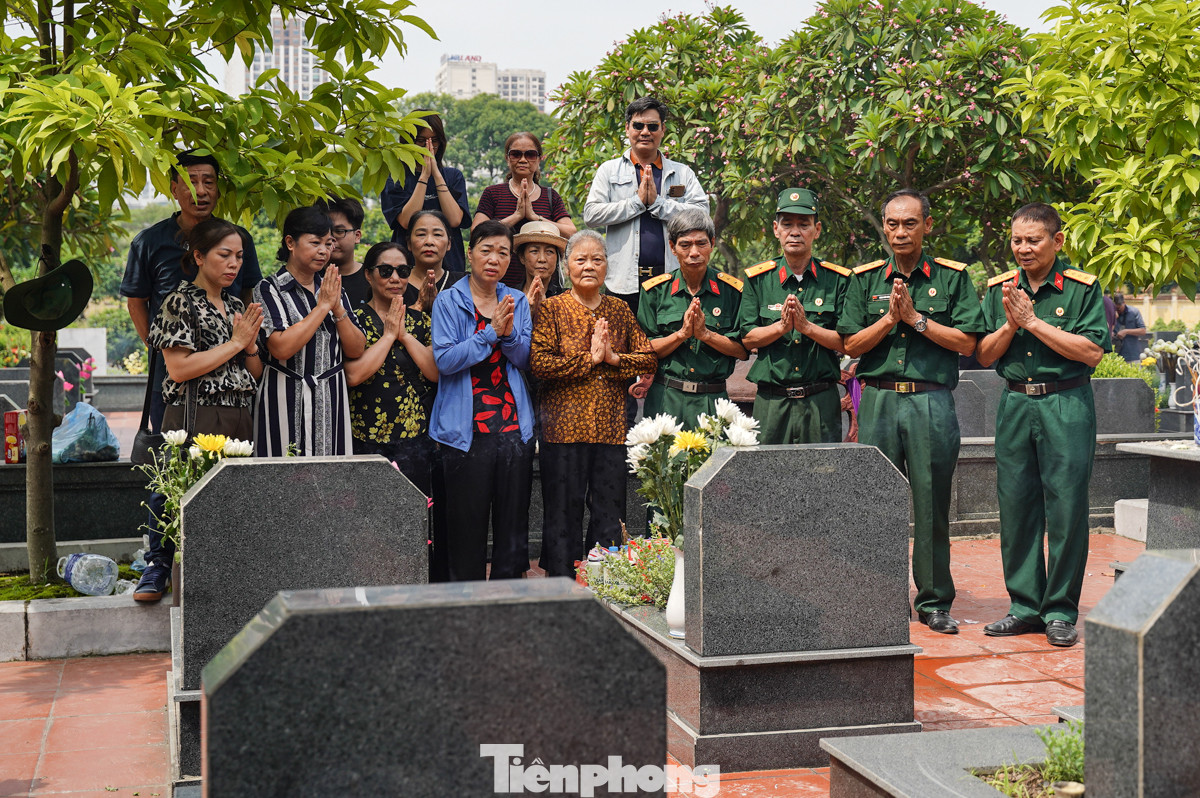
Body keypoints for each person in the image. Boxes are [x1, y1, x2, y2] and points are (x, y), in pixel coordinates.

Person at [837, 189, 984, 635]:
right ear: (884, 226)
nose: (901, 232)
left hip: (930, 400)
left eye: (910, 224)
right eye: (893, 224)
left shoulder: (953, 278)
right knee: (874, 500)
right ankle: (879, 594)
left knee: (932, 501)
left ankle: (935, 599)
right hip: (879, 398)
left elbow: (968, 342)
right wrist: (889, 320)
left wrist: (917, 319)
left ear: (927, 225)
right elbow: (848, 344)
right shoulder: (864, 281)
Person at [976, 203, 1108, 648]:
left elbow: (1091, 352)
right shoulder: (1000, 288)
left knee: (1067, 508)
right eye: (1017, 240)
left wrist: (1034, 321)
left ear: (1058, 241)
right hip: (1015, 405)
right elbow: (985, 354)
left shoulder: (1081, 288)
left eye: (1033, 240)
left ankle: (1060, 610)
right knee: (1015, 507)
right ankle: (1024, 607)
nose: (1024, 248)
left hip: (1065, 402)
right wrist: (1013, 325)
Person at [135, 219, 265, 601]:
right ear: (198, 256)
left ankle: (227, 585)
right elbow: (179, 368)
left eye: (239, 256)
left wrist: (251, 347)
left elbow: (253, 371)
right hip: (196, 414)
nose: (233, 264)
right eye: (224, 255)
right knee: (185, 501)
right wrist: (235, 343)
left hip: (239, 414)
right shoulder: (179, 301)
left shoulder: (236, 304)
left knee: (230, 508)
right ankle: (166, 574)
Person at [531, 230, 657, 577]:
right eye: (580, 259)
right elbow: (540, 363)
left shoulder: (618, 309)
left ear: (607, 267)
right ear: (567, 267)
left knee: (609, 509)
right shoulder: (552, 309)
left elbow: (648, 359)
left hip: (611, 428)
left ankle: (607, 578)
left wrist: (615, 359)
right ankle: (561, 580)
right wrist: (589, 359)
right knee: (562, 510)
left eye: (597, 259)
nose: (589, 266)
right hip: (563, 428)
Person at [121, 150, 262, 433]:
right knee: (175, 449)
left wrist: (241, 339)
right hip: (174, 365)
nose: (201, 190)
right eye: (191, 181)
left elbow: (248, 292)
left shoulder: (238, 238)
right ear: (174, 188)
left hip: (230, 375)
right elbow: (136, 302)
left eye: (208, 182)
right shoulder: (150, 242)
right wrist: (157, 346)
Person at [429, 220, 535, 581]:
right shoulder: (448, 300)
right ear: (470, 253)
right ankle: (466, 607)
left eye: (503, 253)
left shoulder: (516, 299)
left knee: (511, 527)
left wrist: (506, 337)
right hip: (464, 431)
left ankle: (505, 603)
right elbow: (445, 360)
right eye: (486, 250)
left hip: (512, 429)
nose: (494, 258)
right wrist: (491, 332)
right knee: (466, 528)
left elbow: (523, 358)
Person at [737, 188, 850, 443]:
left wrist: (807, 327)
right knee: (769, 477)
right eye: (787, 224)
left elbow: (847, 341)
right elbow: (747, 338)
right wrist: (781, 328)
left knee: (823, 475)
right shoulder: (758, 279)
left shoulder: (838, 280)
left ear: (817, 230)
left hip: (820, 401)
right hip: (772, 402)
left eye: (804, 224)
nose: (795, 232)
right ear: (776, 229)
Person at [254, 206, 367, 456]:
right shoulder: (268, 288)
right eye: (315, 242)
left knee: (331, 480)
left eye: (328, 244)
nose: (324, 251)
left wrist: (337, 308)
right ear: (290, 243)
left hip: (331, 396)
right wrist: (323, 306)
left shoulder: (332, 287)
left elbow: (357, 348)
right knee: (283, 478)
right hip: (284, 395)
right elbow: (281, 347)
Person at [582, 97, 708, 314]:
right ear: (627, 128)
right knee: (624, 346)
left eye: (652, 126)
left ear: (663, 130)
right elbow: (591, 215)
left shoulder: (682, 172)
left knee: (670, 343)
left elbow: (702, 214)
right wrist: (637, 204)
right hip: (623, 282)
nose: (645, 132)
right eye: (638, 125)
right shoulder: (609, 170)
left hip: (671, 279)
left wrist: (659, 204)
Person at [638, 208, 746, 429]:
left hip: (713, 399)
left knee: (714, 463)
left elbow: (742, 350)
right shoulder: (655, 291)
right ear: (672, 247)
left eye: (701, 243)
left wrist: (706, 335)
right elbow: (643, 349)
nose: (694, 252)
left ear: (712, 244)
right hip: (666, 397)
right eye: (685, 245)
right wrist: (681, 335)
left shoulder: (732, 291)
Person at [346, 242, 438, 495]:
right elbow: (353, 375)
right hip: (364, 433)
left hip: (414, 434)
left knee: (414, 511)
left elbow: (434, 373)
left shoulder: (421, 321)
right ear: (368, 274)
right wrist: (388, 337)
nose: (395, 278)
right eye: (385, 271)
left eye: (403, 271)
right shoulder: (354, 320)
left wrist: (405, 336)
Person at [472, 132, 577, 288]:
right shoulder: (493, 193)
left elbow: (572, 233)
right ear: (507, 159)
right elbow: (476, 232)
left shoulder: (550, 196)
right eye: (515, 154)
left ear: (539, 159)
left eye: (530, 154)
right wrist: (516, 216)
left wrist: (536, 218)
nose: (523, 159)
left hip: (544, 284)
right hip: (500, 283)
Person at [380, 112, 470, 273]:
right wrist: (424, 176)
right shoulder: (396, 177)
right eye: (421, 141)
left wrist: (436, 174)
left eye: (433, 141)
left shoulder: (453, 176)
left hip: (450, 264)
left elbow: (455, 220)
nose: (427, 146)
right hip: (407, 265)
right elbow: (406, 221)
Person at [407, 209, 467, 317]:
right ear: (409, 243)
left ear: (449, 244)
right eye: (421, 234)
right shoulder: (395, 281)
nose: (429, 242)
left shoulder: (463, 283)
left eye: (437, 234)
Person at [514, 220, 567, 322]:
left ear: (557, 259)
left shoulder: (565, 298)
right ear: (522, 257)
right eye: (534, 251)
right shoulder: (510, 296)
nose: (542, 259)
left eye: (549, 252)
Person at [321, 197, 368, 309]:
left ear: (357, 236)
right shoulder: (309, 279)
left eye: (339, 231)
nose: (331, 239)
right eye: (325, 231)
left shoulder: (373, 280)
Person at [1112, 293, 1147, 361]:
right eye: (1115, 309)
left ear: (1124, 303)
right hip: (1115, 354)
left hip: (1132, 354)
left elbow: (1143, 331)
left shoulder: (1134, 312)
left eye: (1119, 308)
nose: (1117, 311)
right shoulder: (1110, 313)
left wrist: (1126, 331)